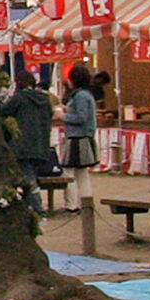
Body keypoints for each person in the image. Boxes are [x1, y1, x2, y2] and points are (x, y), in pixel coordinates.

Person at [59, 66, 101, 206]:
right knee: (82, 173)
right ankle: (85, 202)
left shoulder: (80, 96)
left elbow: (81, 118)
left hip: (78, 138)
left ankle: (72, 204)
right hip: (83, 138)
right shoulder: (85, 94)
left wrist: (63, 115)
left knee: (69, 172)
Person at [2, 73, 57, 178]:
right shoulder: (45, 99)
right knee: (32, 174)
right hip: (41, 144)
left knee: (28, 179)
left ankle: (34, 194)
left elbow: (4, 111)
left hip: (22, 145)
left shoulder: (19, 98)